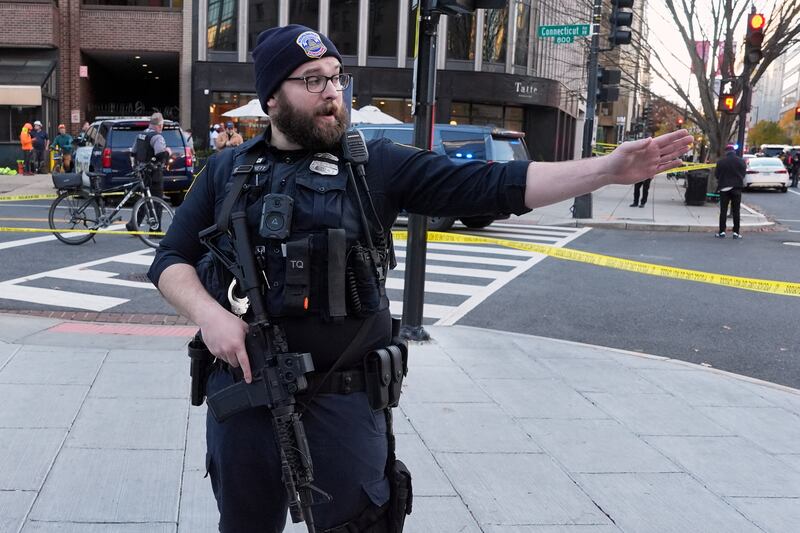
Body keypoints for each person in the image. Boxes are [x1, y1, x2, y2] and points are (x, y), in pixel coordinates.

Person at [147, 25, 691, 533]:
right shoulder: (227, 171)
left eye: (336, 77)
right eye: (312, 81)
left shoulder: (375, 165)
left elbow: (489, 185)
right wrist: (211, 317)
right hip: (242, 398)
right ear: (271, 98)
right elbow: (170, 259)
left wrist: (602, 170)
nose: (331, 91)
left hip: (344, 402)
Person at [126, 113, 171, 232]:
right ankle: (155, 230)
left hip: (142, 172)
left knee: (145, 199)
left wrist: (135, 167)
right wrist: (168, 152)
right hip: (154, 173)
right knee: (156, 201)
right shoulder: (157, 137)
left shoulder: (141, 135)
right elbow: (160, 155)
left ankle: (133, 225)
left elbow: (133, 152)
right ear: (160, 125)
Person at [714, 145, 746, 239]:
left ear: (726, 152)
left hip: (724, 188)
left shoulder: (721, 162)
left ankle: (722, 232)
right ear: (734, 151)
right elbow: (743, 174)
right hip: (737, 188)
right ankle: (736, 232)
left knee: (723, 211)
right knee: (736, 211)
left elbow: (717, 175)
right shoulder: (741, 161)